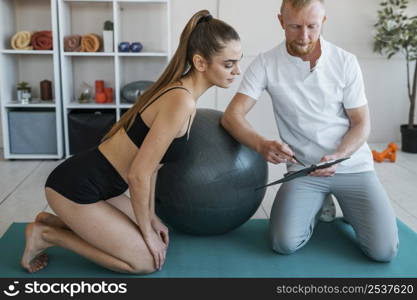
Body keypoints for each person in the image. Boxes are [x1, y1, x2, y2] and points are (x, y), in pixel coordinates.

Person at [21, 10, 242, 274]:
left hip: (107, 188)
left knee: (156, 239)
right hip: (74, 188)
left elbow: (153, 168)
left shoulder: (185, 97)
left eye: (236, 63)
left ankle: (53, 221)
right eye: (229, 64)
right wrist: (146, 231)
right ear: (201, 62)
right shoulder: (180, 100)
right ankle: (48, 235)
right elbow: (139, 174)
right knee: (145, 261)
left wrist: (151, 218)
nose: (236, 71)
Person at [221, 0, 399, 262]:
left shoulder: (345, 61)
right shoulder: (265, 64)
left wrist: (338, 155)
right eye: (294, 26)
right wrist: (261, 144)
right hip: (304, 169)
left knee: (384, 252)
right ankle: (318, 203)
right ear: (281, 21)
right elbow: (231, 116)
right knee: (283, 243)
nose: (304, 36)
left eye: (312, 26)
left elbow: (362, 123)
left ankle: (347, 205)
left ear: (323, 22)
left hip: (352, 166)